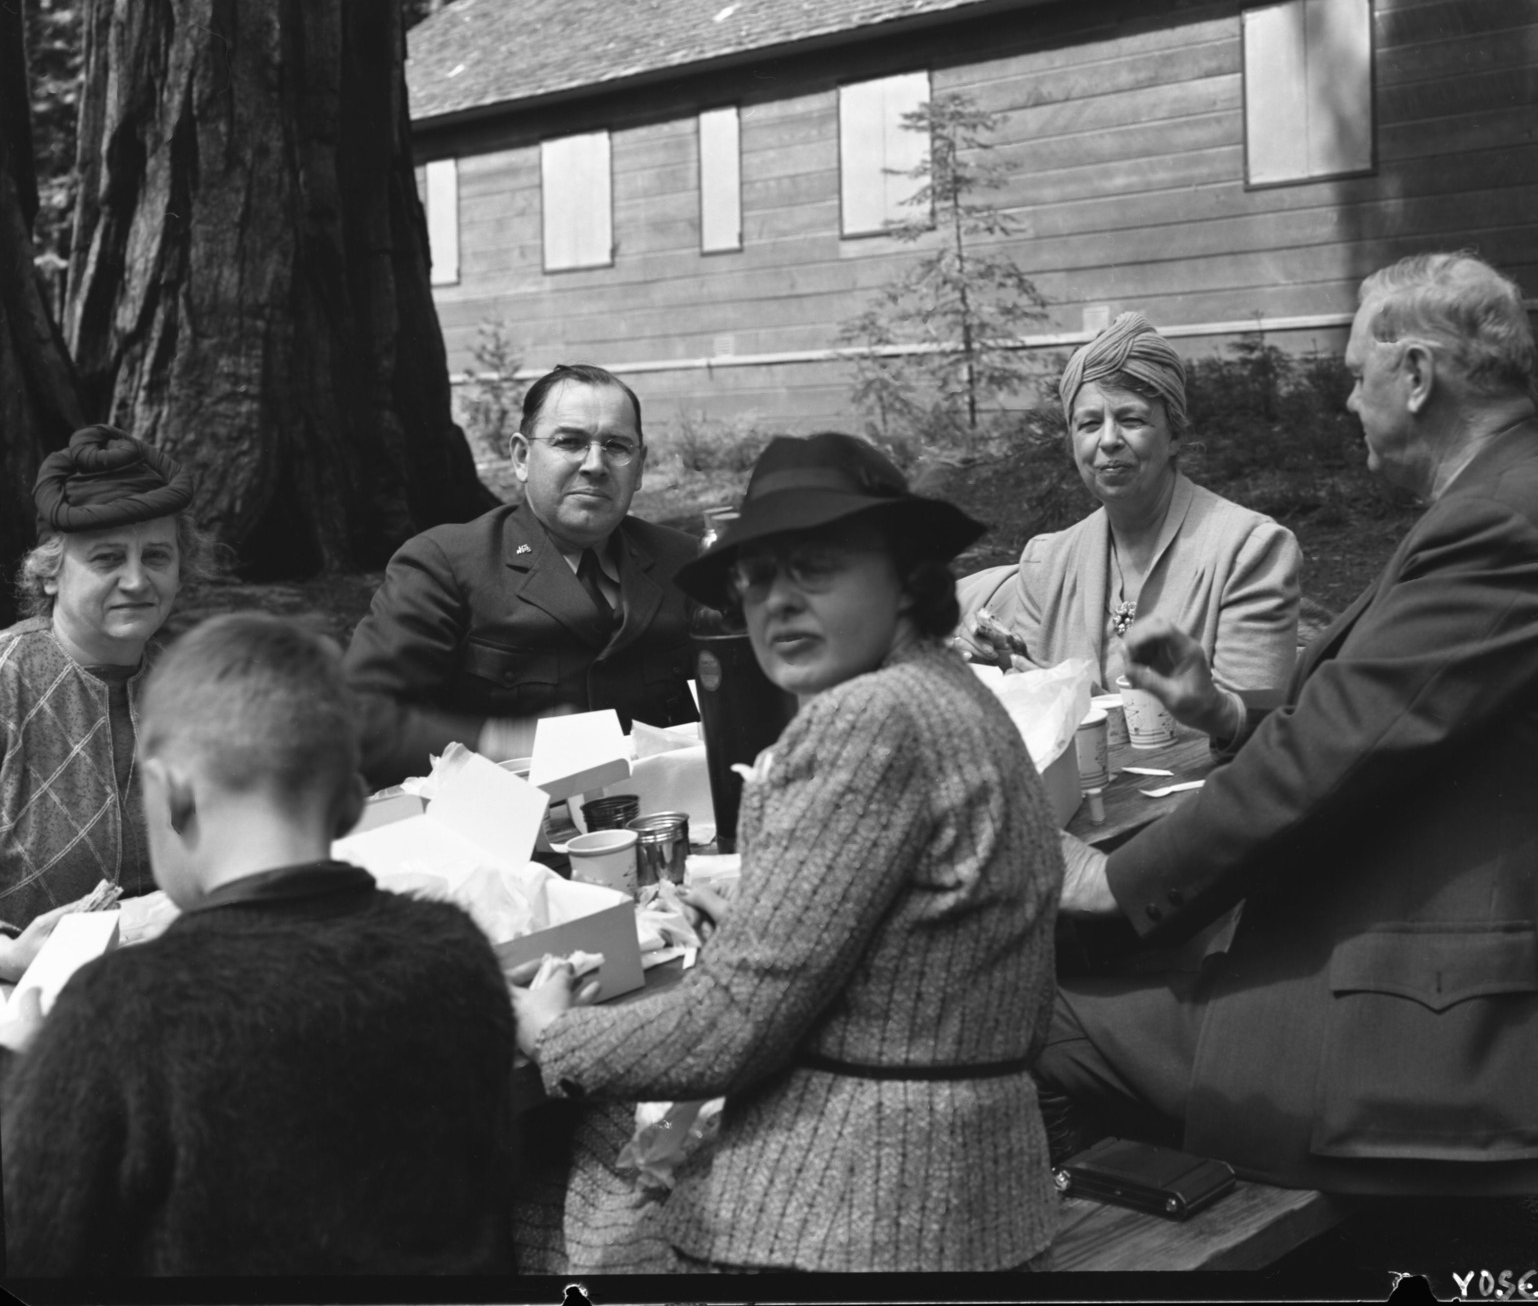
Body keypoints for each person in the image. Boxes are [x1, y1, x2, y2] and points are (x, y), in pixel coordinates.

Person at [1037, 253, 1538, 1196]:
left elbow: (1318, 765)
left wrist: (1109, 880)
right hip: (1416, 970)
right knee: (1083, 975)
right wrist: (1224, 709)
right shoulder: (1516, 500)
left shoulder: (1501, 529)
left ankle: (1114, 1251)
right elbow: (1373, 723)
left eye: (1357, 376)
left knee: (1021, 1008)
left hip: (1431, 1030)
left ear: (1416, 375)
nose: (1347, 402)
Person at [510, 434, 1063, 1273]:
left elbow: (731, 1025)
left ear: (905, 577)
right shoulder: (945, 691)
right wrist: (761, 913)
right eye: (757, 577)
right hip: (970, 1186)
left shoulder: (866, 718)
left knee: (534, 1181)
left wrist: (553, 1036)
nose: (777, 601)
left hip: (861, 1211)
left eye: (814, 567)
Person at [0, 614, 517, 1275]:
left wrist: (20, 1072)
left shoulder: (117, 1007)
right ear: (351, 800)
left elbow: (33, 1247)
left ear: (173, 792)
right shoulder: (456, 952)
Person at [343, 363, 702, 787]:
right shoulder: (447, 564)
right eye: (569, 442)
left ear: (639, 468)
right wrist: (501, 741)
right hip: (506, 818)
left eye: (617, 446)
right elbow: (358, 721)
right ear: (521, 457)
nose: (595, 464)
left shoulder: (685, 564)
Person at [956, 312, 1301, 697]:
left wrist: (1084, 702)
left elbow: (1249, 721)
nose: (1108, 440)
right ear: (1072, 444)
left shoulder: (1250, 552)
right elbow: (1044, 708)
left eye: (1132, 419)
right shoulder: (1047, 564)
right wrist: (1006, 667)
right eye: (1089, 424)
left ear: (1174, 435)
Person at [2, 424, 217, 980]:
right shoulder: (7, 682)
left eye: (157, 556)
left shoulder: (189, 688)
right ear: (50, 572)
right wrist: (9, 957)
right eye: (107, 558)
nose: (136, 580)